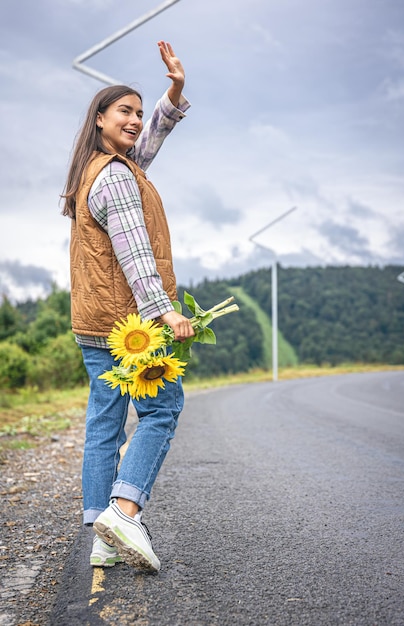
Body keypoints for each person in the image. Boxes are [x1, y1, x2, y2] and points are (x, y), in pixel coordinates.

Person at [61, 41, 194, 572]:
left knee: (105, 425)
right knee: (162, 409)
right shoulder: (117, 177)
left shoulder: (97, 168)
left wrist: (174, 94)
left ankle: (101, 537)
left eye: (140, 112)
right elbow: (136, 252)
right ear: (99, 119)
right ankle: (124, 510)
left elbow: (153, 137)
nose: (137, 121)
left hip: (91, 323)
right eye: (125, 111)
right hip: (128, 326)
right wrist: (164, 311)